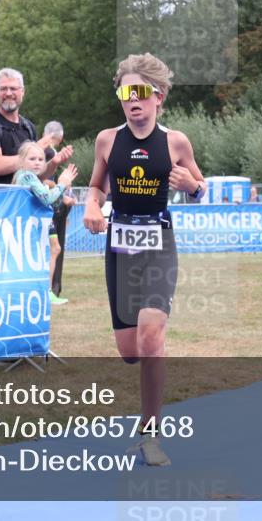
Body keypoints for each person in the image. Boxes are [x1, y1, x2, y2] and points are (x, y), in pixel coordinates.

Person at [83, 53, 205, 467]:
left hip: (159, 242)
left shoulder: (176, 142)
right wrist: (92, 206)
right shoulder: (106, 140)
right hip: (119, 244)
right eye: (124, 92)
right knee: (130, 351)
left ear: (158, 97)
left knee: (152, 335)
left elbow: (199, 186)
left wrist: (192, 185)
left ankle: (150, 435)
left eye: (139, 93)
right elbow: (96, 188)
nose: (131, 101)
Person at [0, 68, 73, 185]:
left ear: (23, 91)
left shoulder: (29, 127)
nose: (8, 93)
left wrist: (54, 163)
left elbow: (36, 176)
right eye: (3, 88)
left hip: (22, 200)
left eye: (13, 88)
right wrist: (33, 151)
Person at [12, 141, 78, 305]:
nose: (37, 162)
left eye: (41, 159)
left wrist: (62, 188)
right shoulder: (26, 176)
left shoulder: (35, 178)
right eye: (32, 158)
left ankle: (46, 291)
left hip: (39, 223)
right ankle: (42, 292)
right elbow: (46, 198)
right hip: (29, 224)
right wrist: (62, 183)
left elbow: (52, 203)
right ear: (21, 162)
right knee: (42, 253)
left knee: (54, 248)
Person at [41, 120, 76, 304]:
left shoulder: (43, 151)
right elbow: (43, 181)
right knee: (53, 249)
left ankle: (48, 291)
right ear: (60, 137)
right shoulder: (47, 153)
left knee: (54, 248)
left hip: (50, 208)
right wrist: (62, 193)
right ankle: (47, 291)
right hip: (45, 208)